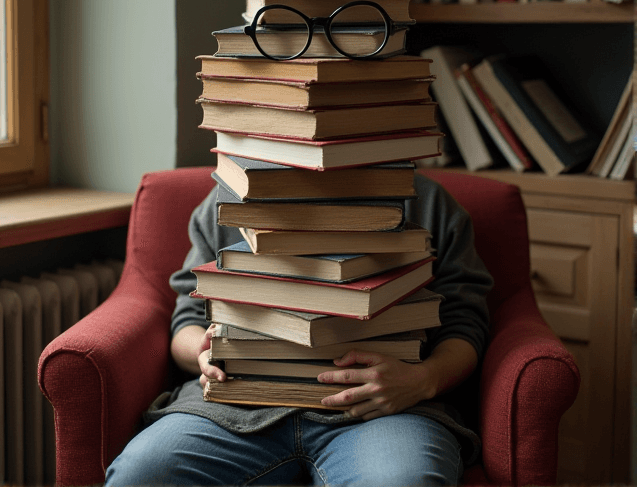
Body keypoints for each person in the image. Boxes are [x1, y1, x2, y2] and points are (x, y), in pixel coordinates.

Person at [105, 172, 493, 486]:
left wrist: (423, 381)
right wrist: (202, 353)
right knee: (140, 473)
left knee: (405, 479)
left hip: (380, 412)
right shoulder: (228, 199)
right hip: (234, 406)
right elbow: (187, 320)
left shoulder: (427, 201)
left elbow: (466, 322)